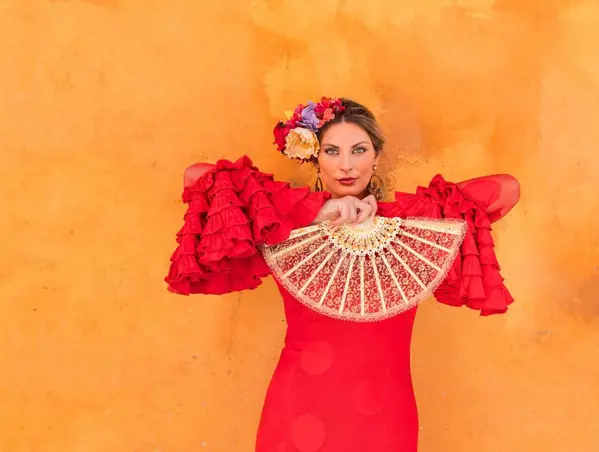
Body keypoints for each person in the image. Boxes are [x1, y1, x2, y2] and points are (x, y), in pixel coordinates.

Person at [165, 97, 520, 452]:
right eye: (332, 151)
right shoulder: (284, 225)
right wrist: (319, 212)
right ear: (315, 159)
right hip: (297, 411)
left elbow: (506, 189)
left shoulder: (410, 226)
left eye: (359, 150)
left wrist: (380, 212)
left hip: (385, 418)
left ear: (376, 157)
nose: (346, 165)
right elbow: (196, 177)